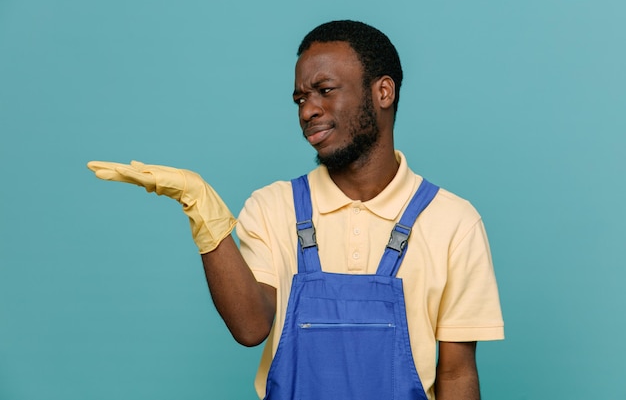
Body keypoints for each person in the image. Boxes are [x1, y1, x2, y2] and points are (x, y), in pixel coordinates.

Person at [88, 20, 504, 400]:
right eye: (300, 99)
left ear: (383, 92)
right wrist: (201, 208)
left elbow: (456, 375)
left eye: (325, 90)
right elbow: (251, 328)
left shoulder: (453, 222)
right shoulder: (274, 207)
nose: (308, 110)